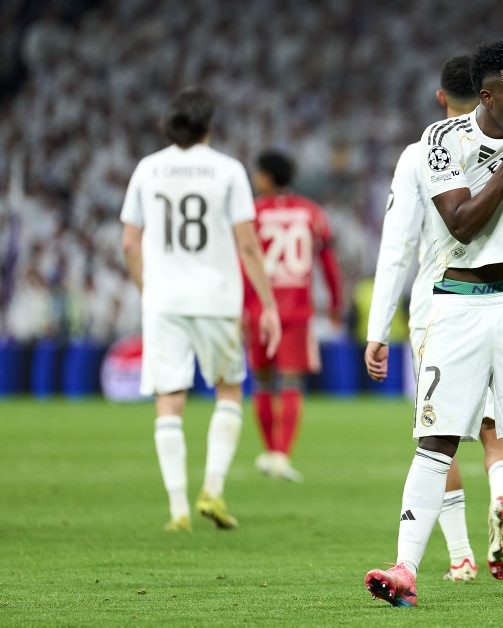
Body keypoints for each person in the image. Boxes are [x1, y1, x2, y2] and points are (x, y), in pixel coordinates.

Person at [364, 39, 503, 608]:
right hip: (456, 304)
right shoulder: (441, 141)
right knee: (436, 440)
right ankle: (405, 568)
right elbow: (460, 222)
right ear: (487, 96)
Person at [120, 87, 281, 531]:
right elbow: (247, 244)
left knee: (168, 399)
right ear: (209, 125)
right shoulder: (227, 170)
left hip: (164, 301)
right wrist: (267, 304)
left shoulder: (147, 168)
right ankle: (212, 489)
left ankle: (177, 509)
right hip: (216, 298)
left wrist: (148, 289)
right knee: (228, 390)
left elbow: (129, 243)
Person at [245, 149, 343, 482]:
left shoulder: (253, 213)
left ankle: (271, 450)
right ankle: (281, 455)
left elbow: (243, 260)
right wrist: (335, 303)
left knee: (262, 381)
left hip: (260, 307)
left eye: (258, 173)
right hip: (297, 309)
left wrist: (240, 306)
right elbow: (328, 263)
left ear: (267, 177)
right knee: (290, 382)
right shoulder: (311, 212)